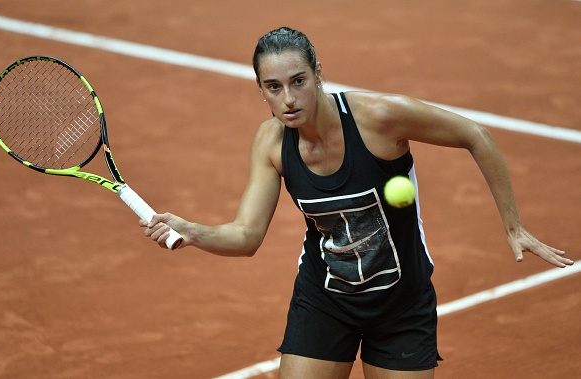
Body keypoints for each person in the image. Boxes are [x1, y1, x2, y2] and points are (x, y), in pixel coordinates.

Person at [140, 27, 573, 379]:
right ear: (261, 90)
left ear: (318, 74)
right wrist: (194, 231)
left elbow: (475, 135)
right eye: (273, 87)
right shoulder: (271, 143)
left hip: (401, 302)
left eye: (298, 82)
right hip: (326, 297)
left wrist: (513, 225)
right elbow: (247, 236)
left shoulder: (379, 118)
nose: (288, 99)